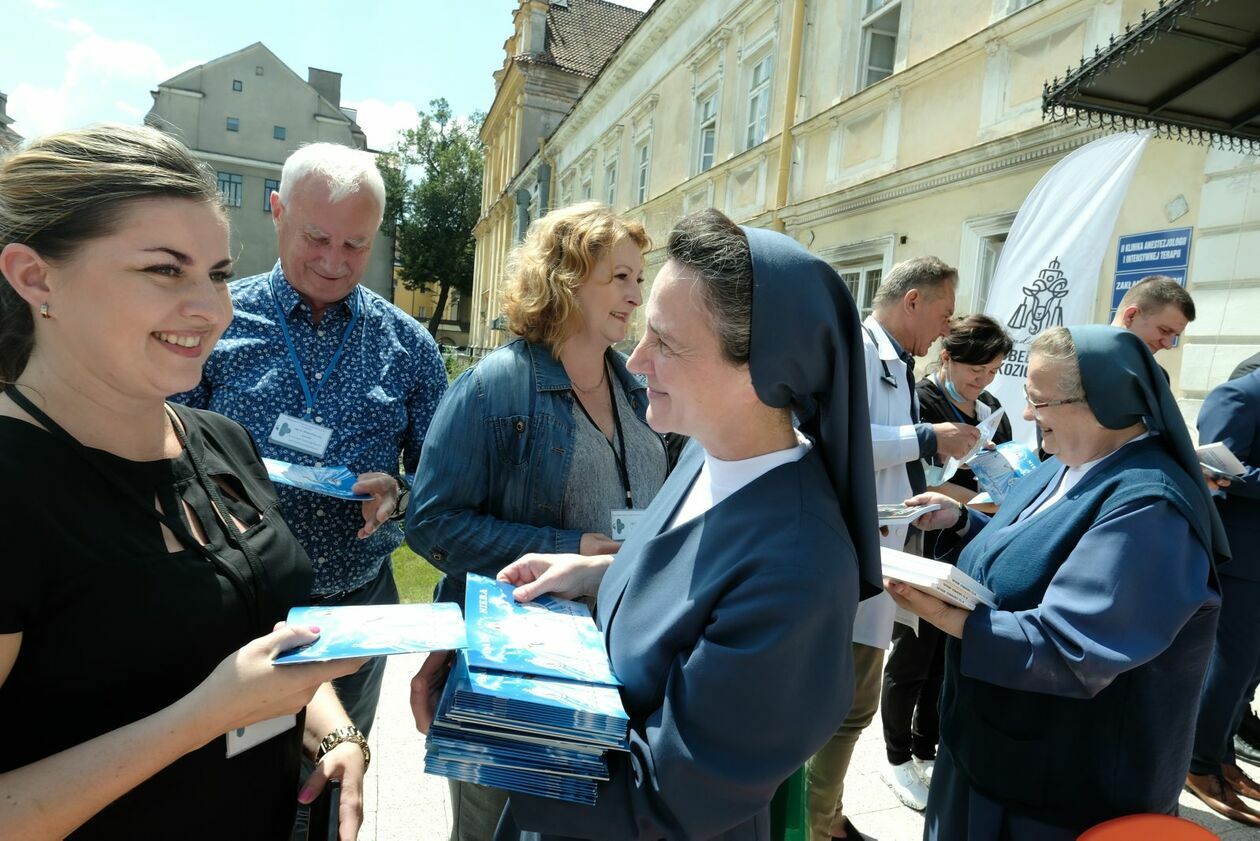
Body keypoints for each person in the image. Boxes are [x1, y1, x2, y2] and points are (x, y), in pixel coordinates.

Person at [412, 208, 883, 839]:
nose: (636, 361)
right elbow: (688, 586)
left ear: (763, 372)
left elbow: (659, 797)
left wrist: (487, 713)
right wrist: (594, 575)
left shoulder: (797, 568)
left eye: (666, 341)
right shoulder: (705, 454)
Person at [0, 125, 367, 838]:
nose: (213, 309)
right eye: (166, 271)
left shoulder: (221, 440)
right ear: (35, 276)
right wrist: (203, 718)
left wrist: (333, 731)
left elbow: (261, 633)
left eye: (220, 273)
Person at [888, 325, 1225, 840]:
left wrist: (947, 617)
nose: (1027, 416)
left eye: (1039, 402)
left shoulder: (1151, 508)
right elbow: (1033, 549)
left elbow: (1072, 648)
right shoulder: (1067, 462)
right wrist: (961, 521)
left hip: (1056, 793)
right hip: (991, 752)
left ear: (1104, 402)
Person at [405, 202, 669, 840]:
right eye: (620, 278)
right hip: (516, 674)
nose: (637, 296)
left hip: (615, 662)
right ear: (567, 277)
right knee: (491, 829)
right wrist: (566, 547)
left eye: (640, 278)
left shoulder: (636, 388)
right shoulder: (495, 387)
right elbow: (433, 523)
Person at [174, 143, 447, 742]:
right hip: (233, 602)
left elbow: (442, 484)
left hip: (354, 602)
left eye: (356, 244)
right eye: (316, 238)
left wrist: (400, 496)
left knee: (339, 765)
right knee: (237, 774)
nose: (334, 261)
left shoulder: (410, 346)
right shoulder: (212, 322)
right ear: (277, 211)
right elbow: (164, 455)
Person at [808, 256, 974, 835]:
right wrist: (928, 435)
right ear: (912, 301)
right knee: (850, 705)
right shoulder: (856, 348)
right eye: (944, 313)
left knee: (852, 700)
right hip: (848, 557)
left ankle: (825, 814)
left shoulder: (895, 361)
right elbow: (832, 439)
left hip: (877, 549)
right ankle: (816, 821)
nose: (945, 330)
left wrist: (919, 502)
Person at [877, 314, 1014, 808]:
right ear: (948, 358)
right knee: (914, 653)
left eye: (995, 370)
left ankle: (926, 746)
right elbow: (915, 479)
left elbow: (1004, 466)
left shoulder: (993, 407)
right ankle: (895, 758)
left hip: (973, 540)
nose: (984, 382)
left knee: (947, 654)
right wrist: (977, 501)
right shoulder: (920, 401)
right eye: (976, 370)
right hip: (924, 540)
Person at [1186, 368, 1260, 827]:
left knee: (1250, 670)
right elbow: (1215, 470)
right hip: (1241, 558)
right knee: (1231, 665)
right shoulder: (1240, 394)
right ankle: (1198, 764)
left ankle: (1222, 754)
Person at [1109, 274, 1195, 355]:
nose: (1168, 345)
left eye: (1175, 336)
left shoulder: (1150, 369)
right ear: (1131, 316)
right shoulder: (1097, 361)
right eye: (1164, 330)